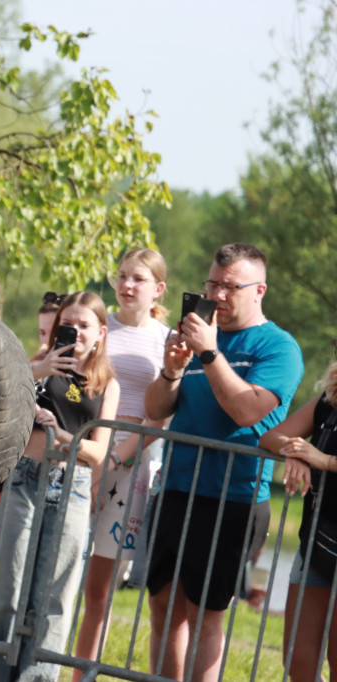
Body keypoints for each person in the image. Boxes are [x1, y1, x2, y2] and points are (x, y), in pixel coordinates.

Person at [144, 242, 302, 681]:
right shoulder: (198, 334)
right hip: (176, 486)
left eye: (230, 287)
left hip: (232, 496)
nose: (216, 295)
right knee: (163, 605)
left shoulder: (279, 348)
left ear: (259, 290)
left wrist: (211, 355)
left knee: (205, 613)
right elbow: (156, 410)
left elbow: (247, 411)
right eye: (212, 284)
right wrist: (173, 369)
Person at [0, 291, 120, 682]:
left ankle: (38, 678)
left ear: (100, 333)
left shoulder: (107, 385)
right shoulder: (33, 365)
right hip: (24, 476)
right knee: (4, 593)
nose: (74, 332)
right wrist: (37, 373)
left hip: (72, 484)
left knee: (54, 600)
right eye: (67, 325)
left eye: (83, 326)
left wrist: (58, 432)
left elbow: (98, 452)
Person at [73, 248, 170, 678]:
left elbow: (160, 415)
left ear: (158, 289)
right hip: (81, 454)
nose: (128, 285)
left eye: (139, 279)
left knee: (99, 587)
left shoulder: (166, 339)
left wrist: (113, 459)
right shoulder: (97, 327)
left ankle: (82, 672)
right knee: (57, 570)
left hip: (129, 466)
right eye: (122, 276)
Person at [260, 356, 337, 681]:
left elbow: (321, 458)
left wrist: (323, 460)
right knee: (298, 661)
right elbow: (269, 436)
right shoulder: (329, 401)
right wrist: (298, 454)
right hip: (317, 542)